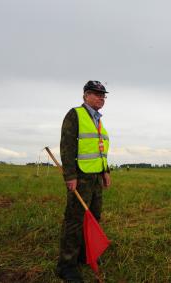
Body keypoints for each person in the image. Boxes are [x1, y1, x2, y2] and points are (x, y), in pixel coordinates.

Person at [56, 80, 111, 282]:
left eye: (103, 95)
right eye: (96, 94)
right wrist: (70, 176)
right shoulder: (75, 115)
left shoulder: (98, 120)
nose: (101, 97)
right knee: (75, 220)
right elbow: (67, 146)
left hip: (96, 178)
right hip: (80, 178)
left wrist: (106, 171)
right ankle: (66, 265)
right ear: (85, 95)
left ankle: (83, 255)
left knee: (94, 217)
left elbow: (100, 149)